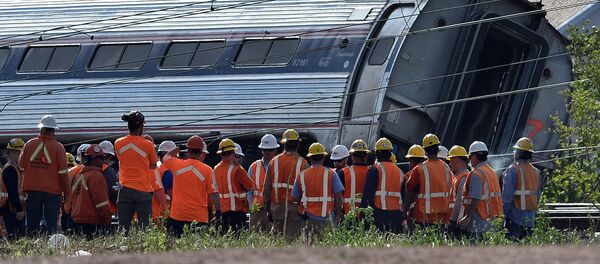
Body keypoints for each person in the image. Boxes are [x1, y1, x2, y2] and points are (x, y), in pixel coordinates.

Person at [161, 135, 220, 237]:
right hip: (199, 217)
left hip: (177, 216)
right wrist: (218, 211)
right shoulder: (208, 170)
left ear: (188, 150)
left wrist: (178, 148)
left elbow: (166, 157)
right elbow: (213, 194)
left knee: (174, 248)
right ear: (201, 152)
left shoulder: (176, 165)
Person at [20, 115, 69, 236]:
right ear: (53, 131)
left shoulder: (28, 145)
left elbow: (21, 167)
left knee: (32, 225)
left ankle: (32, 247)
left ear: (41, 129)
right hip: (53, 193)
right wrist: (67, 194)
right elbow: (63, 173)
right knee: (52, 225)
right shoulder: (58, 148)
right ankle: (53, 249)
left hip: (32, 191)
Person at [114, 111, 158, 232]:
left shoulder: (118, 143)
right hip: (143, 189)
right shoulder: (148, 144)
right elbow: (154, 165)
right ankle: (144, 249)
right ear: (141, 126)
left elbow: (122, 158)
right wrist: (151, 143)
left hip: (124, 189)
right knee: (145, 227)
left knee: (123, 227)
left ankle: (123, 248)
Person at [292, 143, 343, 243]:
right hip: (328, 219)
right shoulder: (331, 174)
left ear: (310, 158)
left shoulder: (302, 175)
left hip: (308, 218)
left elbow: (294, 197)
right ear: (323, 158)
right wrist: (338, 214)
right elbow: (338, 195)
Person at [263, 129, 309, 239]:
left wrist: (267, 209)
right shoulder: (303, 164)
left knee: (277, 242)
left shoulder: (273, 162)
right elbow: (307, 191)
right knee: (292, 243)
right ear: (298, 144)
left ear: (283, 143)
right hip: (295, 210)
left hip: (277, 209)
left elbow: (267, 189)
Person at [405, 134, 453, 228]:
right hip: (441, 217)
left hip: (423, 216)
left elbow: (409, 187)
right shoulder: (446, 168)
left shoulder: (420, 168)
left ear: (425, 151)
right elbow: (451, 187)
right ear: (437, 149)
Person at [458, 141, 503, 239]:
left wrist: (467, 217)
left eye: (470, 157)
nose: (469, 160)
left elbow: (475, 198)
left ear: (475, 156)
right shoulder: (492, 172)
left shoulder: (476, 174)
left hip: (478, 221)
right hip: (491, 220)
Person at [361, 138, 405, 234]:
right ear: (390, 152)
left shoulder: (375, 170)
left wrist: (363, 216)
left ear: (377, 153)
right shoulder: (400, 172)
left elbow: (368, 196)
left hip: (380, 216)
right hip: (397, 216)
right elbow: (404, 197)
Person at [70, 144, 112, 240]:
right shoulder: (96, 176)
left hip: (76, 220)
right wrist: (107, 219)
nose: (103, 161)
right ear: (94, 159)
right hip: (92, 221)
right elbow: (101, 201)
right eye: (101, 158)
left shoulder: (78, 176)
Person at [502, 137, 541, 240]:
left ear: (518, 153)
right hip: (530, 219)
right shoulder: (536, 172)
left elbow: (507, 197)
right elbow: (537, 196)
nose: (514, 153)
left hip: (515, 218)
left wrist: (503, 215)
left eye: (515, 151)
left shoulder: (512, 169)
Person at [214, 139, 254, 233]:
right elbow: (251, 186)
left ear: (220, 154)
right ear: (233, 153)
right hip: (236, 209)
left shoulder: (215, 169)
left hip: (221, 209)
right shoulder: (237, 169)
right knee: (237, 238)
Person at [249, 134, 279, 232]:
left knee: (273, 236)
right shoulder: (254, 166)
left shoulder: (279, 166)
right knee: (255, 236)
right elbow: (249, 189)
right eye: (264, 150)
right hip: (257, 209)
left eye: (270, 150)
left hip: (273, 208)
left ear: (275, 150)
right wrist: (250, 206)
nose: (267, 152)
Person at [1, 138, 26, 239]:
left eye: (20, 152)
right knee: (14, 236)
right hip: (10, 207)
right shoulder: (10, 170)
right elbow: (12, 192)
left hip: (16, 206)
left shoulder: (18, 169)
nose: (18, 155)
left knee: (19, 236)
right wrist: (19, 209)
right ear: (10, 153)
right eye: (15, 152)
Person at [338, 139, 370, 214]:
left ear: (352, 156)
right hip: (368, 215)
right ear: (366, 156)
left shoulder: (344, 172)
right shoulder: (373, 171)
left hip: (348, 215)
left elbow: (338, 195)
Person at [402, 144, 427, 233]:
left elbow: (407, 196)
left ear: (412, 161)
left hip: (413, 214)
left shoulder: (409, 176)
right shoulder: (428, 174)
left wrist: (404, 213)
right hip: (427, 213)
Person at [447, 145, 470, 238]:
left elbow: (459, 202)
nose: (450, 164)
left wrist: (453, 220)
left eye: (451, 160)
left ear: (456, 160)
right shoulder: (460, 176)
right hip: (458, 221)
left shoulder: (463, 177)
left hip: (458, 222)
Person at [153, 140, 177, 222]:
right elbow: (170, 192)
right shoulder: (167, 171)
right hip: (163, 213)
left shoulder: (157, 168)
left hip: (155, 211)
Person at [99, 141, 119, 216]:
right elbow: (114, 192)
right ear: (109, 157)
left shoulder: (87, 169)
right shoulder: (108, 171)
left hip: (92, 209)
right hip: (107, 209)